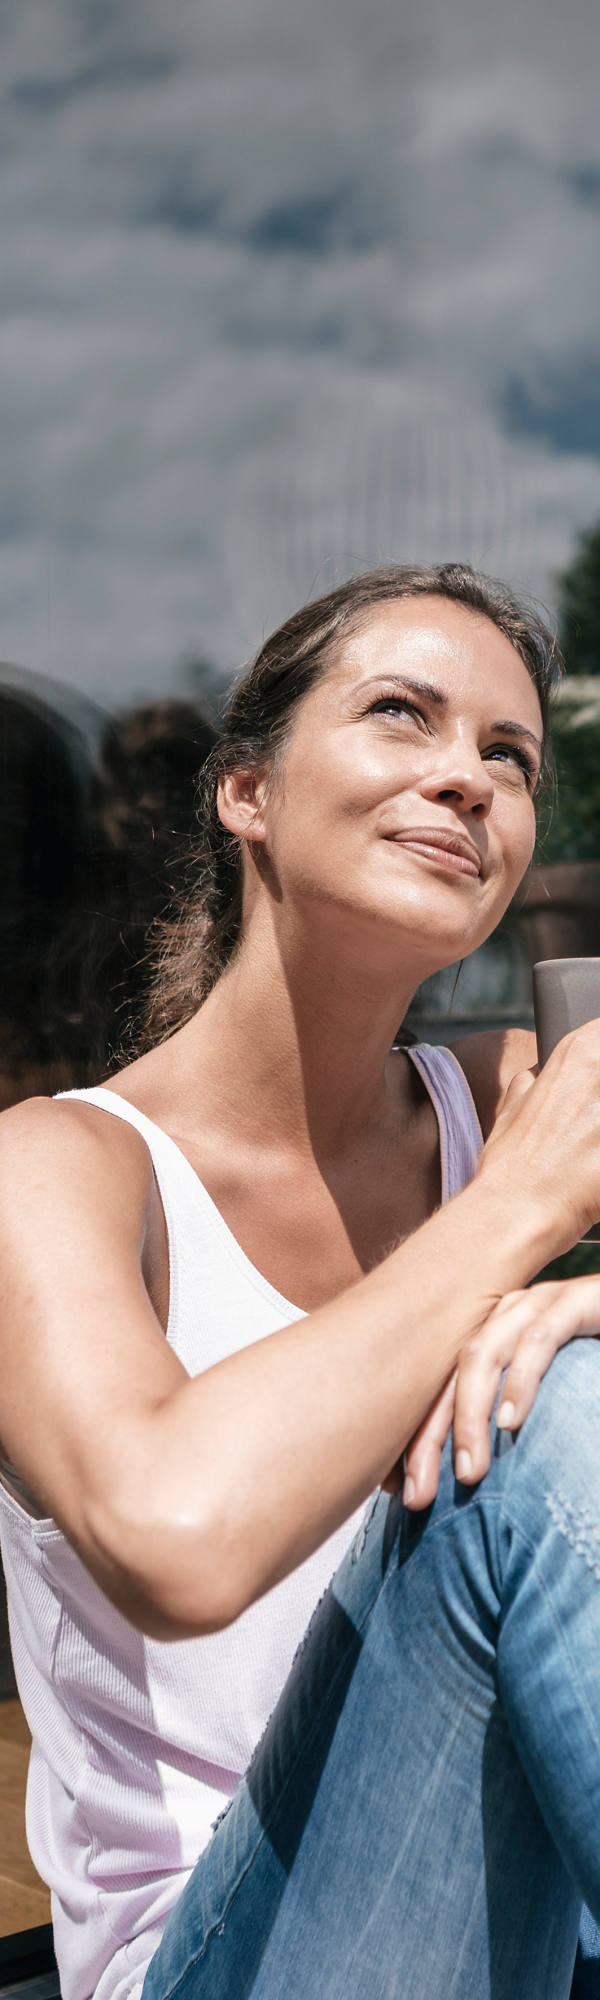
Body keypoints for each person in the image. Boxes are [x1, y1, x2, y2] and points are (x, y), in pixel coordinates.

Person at [2, 563, 600, 2000]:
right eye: (402, 712)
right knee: (547, 1418)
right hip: (217, 1958)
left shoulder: (507, 1098)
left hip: (526, 1923)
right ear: (246, 791)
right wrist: (519, 1213)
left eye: (510, 758)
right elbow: (175, 1536)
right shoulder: (55, 1171)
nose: (467, 777)